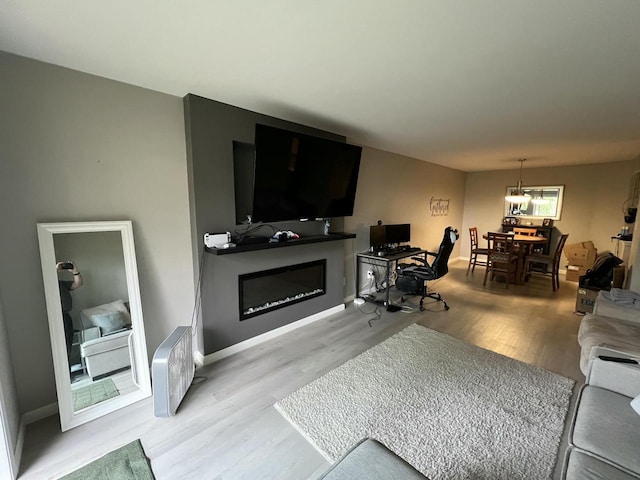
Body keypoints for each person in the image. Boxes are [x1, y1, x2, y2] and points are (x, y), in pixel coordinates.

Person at [57, 261, 83, 356]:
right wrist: (54, 270)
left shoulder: (61, 284)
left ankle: (68, 369)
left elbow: (78, 283)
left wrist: (75, 271)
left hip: (66, 317)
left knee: (68, 347)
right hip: (57, 319)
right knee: (61, 348)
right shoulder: (49, 285)